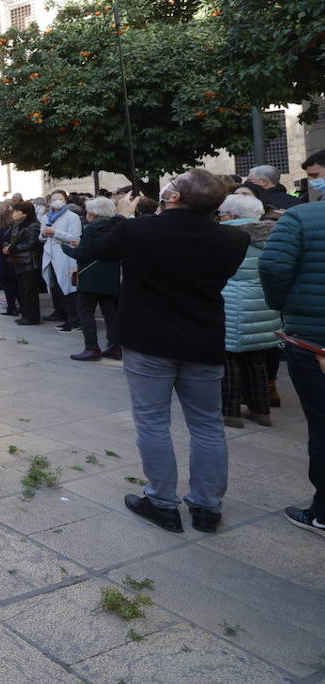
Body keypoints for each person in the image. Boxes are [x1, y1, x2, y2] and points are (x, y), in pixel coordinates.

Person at [93, 170, 249, 534]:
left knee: (152, 422)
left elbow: (98, 250)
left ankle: (162, 502)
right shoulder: (233, 240)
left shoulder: (138, 229)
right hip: (201, 339)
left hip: (148, 339)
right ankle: (207, 506)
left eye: (173, 183)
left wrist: (124, 213)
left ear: (174, 197)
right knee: (208, 425)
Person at [258, 168, 325, 537]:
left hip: (314, 338)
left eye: (315, 174)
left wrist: (283, 305)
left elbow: (273, 266)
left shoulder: (301, 216)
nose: (311, 181)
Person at [215, 193, 279, 428]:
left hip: (230, 302)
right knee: (256, 356)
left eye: (221, 214)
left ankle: (230, 411)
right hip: (262, 303)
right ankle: (261, 410)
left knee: (229, 357)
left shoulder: (223, 236)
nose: (219, 218)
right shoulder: (274, 234)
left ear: (231, 215)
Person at [63, 196, 122, 361]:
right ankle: (115, 347)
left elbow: (82, 254)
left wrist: (64, 248)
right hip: (111, 276)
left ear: (94, 214)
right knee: (110, 312)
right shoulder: (117, 227)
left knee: (85, 311)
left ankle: (91, 347)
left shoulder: (91, 229)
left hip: (90, 277)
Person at [41, 190, 83, 330]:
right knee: (56, 288)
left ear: (65, 200)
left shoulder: (72, 217)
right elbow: (41, 237)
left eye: (60, 198)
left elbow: (75, 238)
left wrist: (55, 232)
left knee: (69, 288)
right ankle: (64, 315)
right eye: (54, 199)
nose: (57, 201)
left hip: (66, 256)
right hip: (50, 255)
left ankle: (75, 321)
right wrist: (44, 234)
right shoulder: (46, 217)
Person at [4, 201, 43, 324]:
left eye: (17, 212)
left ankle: (32, 316)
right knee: (22, 289)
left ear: (25, 214)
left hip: (29, 261)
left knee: (29, 290)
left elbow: (32, 243)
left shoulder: (33, 225)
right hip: (19, 260)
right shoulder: (18, 224)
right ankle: (25, 314)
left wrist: (13, 248)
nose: (14, 214)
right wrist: (9, 246)